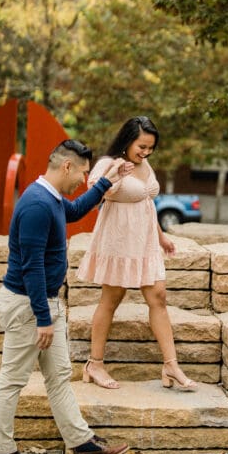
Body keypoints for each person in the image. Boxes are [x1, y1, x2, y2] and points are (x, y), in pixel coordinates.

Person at [0, 139, 132, 454]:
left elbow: (75, 210)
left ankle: (82, 444)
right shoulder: (37, 204)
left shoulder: (49, 198)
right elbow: (31, 267)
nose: (83, 179)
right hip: (28, 306)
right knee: (12, 380)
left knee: (59, 377)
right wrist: (43, 317)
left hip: (42, 304)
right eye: (82, 172)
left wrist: (107, 181)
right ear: (67, 166)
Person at [76, 116, 197, 392]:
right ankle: (94, 364)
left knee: (159, 297)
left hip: (145, 242)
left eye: (151, 148)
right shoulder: (109, 164)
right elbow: (94, 195)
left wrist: (161, 237)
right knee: (111, 299)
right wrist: (116, 174)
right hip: (119, 242)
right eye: (142, 146)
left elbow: (145, 202)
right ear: (128, 140)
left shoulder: (145, 164)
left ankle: (171, 365)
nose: (146, 152)